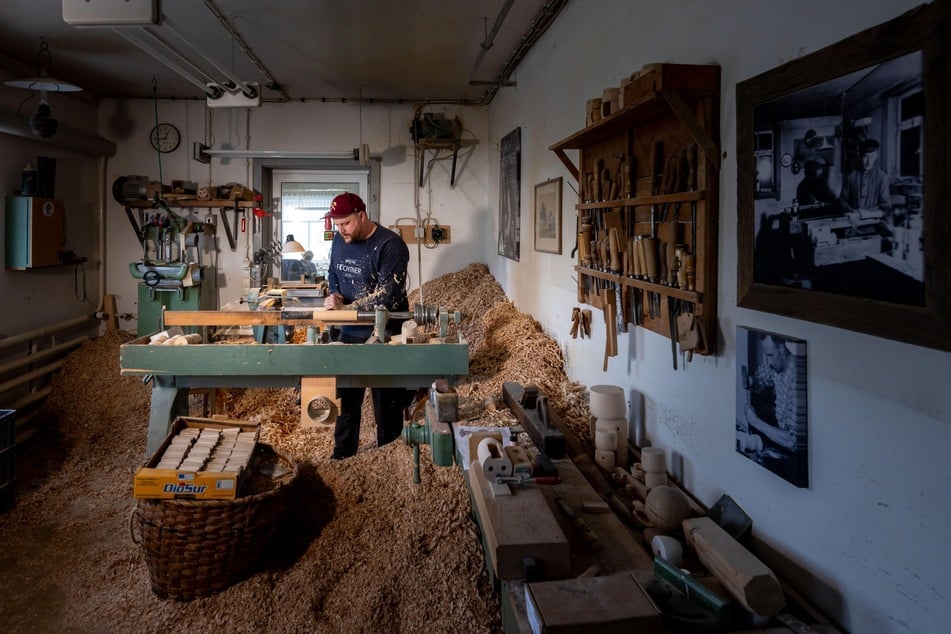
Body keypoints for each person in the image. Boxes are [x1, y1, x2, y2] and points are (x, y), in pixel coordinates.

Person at [322, 192, 412, 459]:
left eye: (346, 223)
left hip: (384, 335)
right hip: (348, 333)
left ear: (362, 216)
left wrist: (348, 308)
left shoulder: (390, 245)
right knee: (347, 403)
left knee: (387, 406)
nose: (341, 230)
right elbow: (333, 272)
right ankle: (343, 456)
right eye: (337, 225)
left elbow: (387, 295)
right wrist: (335, 293)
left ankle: (388, 459)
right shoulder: (339, 240)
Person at [741, 333, 799, 452]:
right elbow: (761, 377)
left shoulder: (796, 379)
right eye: (767, 356)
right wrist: (751, 380)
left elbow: (793, 442)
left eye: (771, 355)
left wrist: (756, 422)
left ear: (782, 349)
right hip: (779, 431)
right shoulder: (776, 364)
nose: (769, 361)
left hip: (792, 447)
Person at [837, 138, 892, 224]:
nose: (868, 161)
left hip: (875, 224)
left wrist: (870, 213)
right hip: (854, 222)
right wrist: (851, 211)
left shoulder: (882, 177)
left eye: (872, 157)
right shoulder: (852, 176)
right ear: (860, 156)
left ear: (876, 157)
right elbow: (842, 199)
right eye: (865, 157)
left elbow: (886, 207)